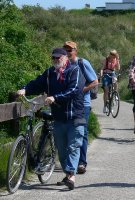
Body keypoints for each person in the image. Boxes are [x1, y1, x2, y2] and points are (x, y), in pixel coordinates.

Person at [17, 48, 85, 190]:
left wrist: (55, 97)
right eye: (53, 58)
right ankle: (68, 174)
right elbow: (37, 83)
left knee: (73, 146)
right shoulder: (49, 73)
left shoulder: (74, 71)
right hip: (59, 117)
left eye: (58, 57)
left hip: (75, 117)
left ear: (65, 58)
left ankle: (71, 176)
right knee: (61, 149)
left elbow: (74, 90)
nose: (55, 60)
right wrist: (25, 89)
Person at [63, 41, 98, 174]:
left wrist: (81, 90)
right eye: (65, 50)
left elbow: (95, 82)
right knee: (67, 132)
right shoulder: (63, 65)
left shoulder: (83, 63)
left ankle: (81, 163)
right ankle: (71, 160)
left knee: (81, 131)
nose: (68, 52)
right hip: (67, 105)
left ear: (75, 51)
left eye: (70, 50)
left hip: (83, 105)